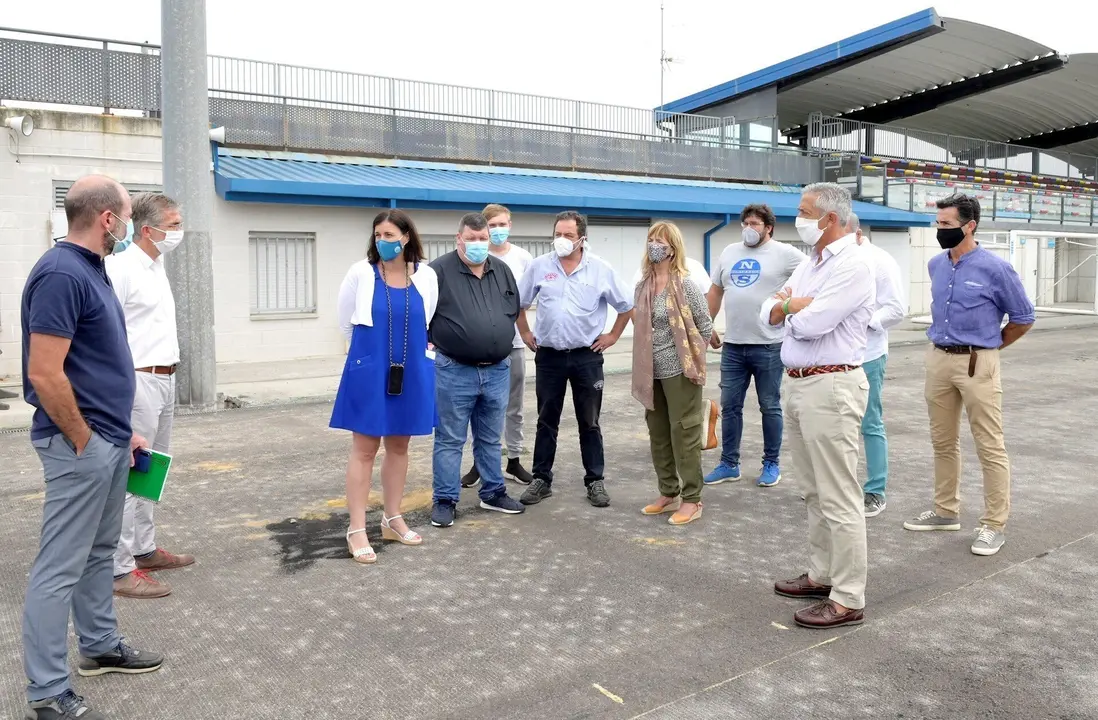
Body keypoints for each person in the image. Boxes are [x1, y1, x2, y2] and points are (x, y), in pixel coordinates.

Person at [21, 175, 163, 720]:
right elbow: (45, 372)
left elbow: (91, 367)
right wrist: (84, 439)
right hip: (78, 446)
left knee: (99, 553)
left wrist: (120, 431)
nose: (127, 226)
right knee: (59, 567)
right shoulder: (60, 274)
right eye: (126, 216)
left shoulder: (90, 270)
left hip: (106, 441)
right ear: (108, 219)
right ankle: (48, 692)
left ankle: (100, 647)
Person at [762, 183, 875, 630]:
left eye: (805, 212)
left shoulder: (855, 263)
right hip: (798, 384)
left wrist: (787, 309)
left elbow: (813, 324)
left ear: (829, 218)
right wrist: (790, 305)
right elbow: (766, 312)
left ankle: (848, 597)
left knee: (839, 495)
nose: (799, 219)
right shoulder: (812, 262)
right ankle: (822, 575)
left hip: (831, 386)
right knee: (813, 491)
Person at [903, 194, 1034, 556]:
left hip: (979, 363)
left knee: (989, 445)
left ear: (970, 225)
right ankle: (946, 511)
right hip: (938, 359)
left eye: (946, 224)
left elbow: (1023, 318)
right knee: (942, 441)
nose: (939, 230)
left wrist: (989, 347)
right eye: (938, 223)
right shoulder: (936, 265)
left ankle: (994, 525)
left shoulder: (995, 268)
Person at [332, 209, 438, 564]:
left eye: (390, 236)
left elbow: (428, 320)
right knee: (364, 448)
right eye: (378, 235)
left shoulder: (427, 276)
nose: (383, 242)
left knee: (399, 445)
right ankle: (357, 529)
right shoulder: (361, 272)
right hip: (370, 368)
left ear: (407, 237)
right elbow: (346, 321)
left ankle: (393, 518)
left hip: (410, 370)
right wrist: (364, 360)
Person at [105, 193, 195, 600]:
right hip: (138, 380)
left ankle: (144, 549)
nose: (178, 232)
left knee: (151, 469)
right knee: (129, 473)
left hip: (165, 378)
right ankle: (119, 568)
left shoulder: (157, 266)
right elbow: (108, 332)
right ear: (148, 229)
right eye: (173, 225)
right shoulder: (120, 268)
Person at [516, 210, 635, 508]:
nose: (562, 240)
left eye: (568, 235)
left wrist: (612, 337)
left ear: (582, 238)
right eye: (558, 234)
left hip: (586, 357)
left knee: (590, 421)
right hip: (549, 357)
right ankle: (541, 478)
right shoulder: (540, 266)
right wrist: (526, 332)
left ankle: (595, 480)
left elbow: (626, 306)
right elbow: (519, 303)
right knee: (546, 419)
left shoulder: (600, 269)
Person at [429, 213, 527, 527]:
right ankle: (445, 499)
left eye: (482, 238)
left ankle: (493, 492)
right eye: (471, 239)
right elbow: (423, 318)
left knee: (489, 437)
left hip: (498, 369)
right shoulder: (438, 271)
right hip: (455, 370)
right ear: (458, 238)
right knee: (450, 439)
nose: (478, 244)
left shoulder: (503, 271)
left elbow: (512, 309)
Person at [705, 204, 805, 488]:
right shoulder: (729, 252)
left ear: (768, 228)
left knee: (770, 406)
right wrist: (707, 325)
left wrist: (791, 306)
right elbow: (715, 292)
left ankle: (771, 463)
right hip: (734, 346)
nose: (749, 228)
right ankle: (729, 463)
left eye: (755, 224)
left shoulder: (786, 254)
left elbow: (814, 276)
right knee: (730, 407)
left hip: (769, 345)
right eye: (745, 223)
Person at [632, 221, 713, 525]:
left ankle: (692, 498)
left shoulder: (686, 285)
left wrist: (694, 359)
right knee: (658, 433)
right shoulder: (642, 286)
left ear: (673, 248)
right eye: (651, 239)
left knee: (685, 433)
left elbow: (705, 326)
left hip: (680, 371)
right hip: (649, 372)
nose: (655, 245)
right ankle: (668, 491)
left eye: (661, 241)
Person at [460, 204, 536, 488]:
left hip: (513, 344)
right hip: (478, 347)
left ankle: (514, 460)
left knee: (513, 406)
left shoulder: (523, 258)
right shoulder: (472, 256)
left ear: (511, 225)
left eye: (503, 224)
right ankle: (480, 463)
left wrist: (526, 333)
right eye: (492, 225)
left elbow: (523, 302)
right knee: (479, 407)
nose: (497, 230)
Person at [847, 213, 905, 518]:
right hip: (834, 358)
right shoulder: (829, 260)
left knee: (869, 423)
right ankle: (839, 489)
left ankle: (875, 491)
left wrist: (864, 322)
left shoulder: (879, 260)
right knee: (836, 427)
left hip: (867, 355)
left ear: (854, 232)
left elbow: (897, 308)